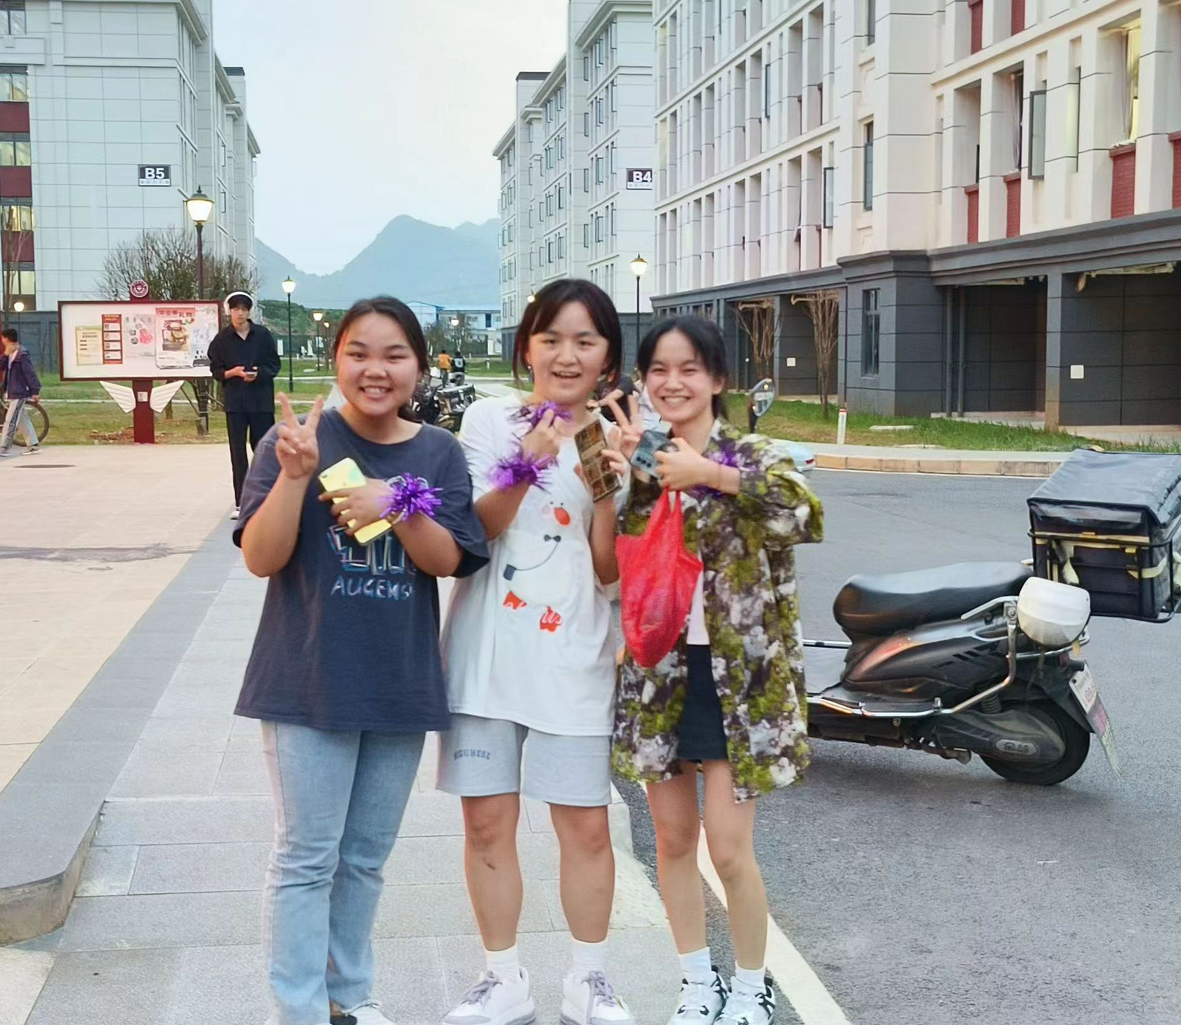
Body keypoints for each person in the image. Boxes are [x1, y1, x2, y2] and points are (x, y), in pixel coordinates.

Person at [234, 296, 489, 1025]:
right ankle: (300, 1010)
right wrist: (295, 476)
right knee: (307, 857)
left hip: (398, 682)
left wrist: (398, 504)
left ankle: (350, 996)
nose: (376, 369)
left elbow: (449, 561)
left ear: (420, 365)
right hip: (306, 677)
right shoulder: (295, 439)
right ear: (336, 358)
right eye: (359, 353)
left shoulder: (438, 452)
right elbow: (261, 558)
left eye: (394, 355)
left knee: (365, 859)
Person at [606, 315, 823, 1025]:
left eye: (689, 368)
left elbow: (804, 514)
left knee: (728, 848)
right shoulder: (644, 455)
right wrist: (628, 480)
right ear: (644, 381)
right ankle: (697, 982)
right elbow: (618, 559)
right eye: (658, 370)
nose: (672, 382)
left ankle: (753, 986)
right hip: (661, 675)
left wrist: (710, 475)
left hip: (742, 682)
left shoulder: (755, 453)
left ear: (718, 379)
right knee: (673, 840)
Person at [439, 278, 634, 1025]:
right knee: (486, 826)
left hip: (574, 661)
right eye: (551, 338)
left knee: (585, 826)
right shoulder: (490, 419)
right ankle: (502, 979)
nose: (566, 355)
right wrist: (526, 461)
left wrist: (609, 492)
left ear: (607, 355)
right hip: (485, 658)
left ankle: (590, 981)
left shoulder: (616, 438)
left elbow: (610, 574)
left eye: (585, 340)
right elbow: (472, 532)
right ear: (527, 347)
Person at [208, 292, 281, 518]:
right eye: (235, 309)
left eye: (243, 309)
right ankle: (241, 502)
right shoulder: (222, 339)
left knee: (264, 450)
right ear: (229, 311)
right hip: (236, 403)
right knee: (237, 453)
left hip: (261, 402)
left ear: (249, 311)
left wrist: (259, 373)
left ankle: (268, 498)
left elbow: (274, 365)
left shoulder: (263, 335)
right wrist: (232, 373)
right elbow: (216, 369)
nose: (240, 313)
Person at [0, 327, 41, 456]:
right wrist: (5, 354)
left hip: (19, 392)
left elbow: (30, 373)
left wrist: (35, 390)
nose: (2, 340)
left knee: (10, 420)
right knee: (22, 419)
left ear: (6, 339)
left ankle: (4, 447)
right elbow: (0, 366)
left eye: (3, 338)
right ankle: (34, 445)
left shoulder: (22, 354)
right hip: (12, 390)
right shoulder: (9, 353)